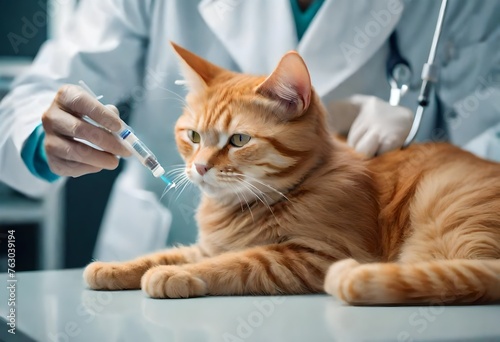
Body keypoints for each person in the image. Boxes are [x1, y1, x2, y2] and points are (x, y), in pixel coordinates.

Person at [1, 0, 499, 261]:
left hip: (343, 257)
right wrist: (41, 136)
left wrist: (417, 147)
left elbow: (489, 140)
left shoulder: (451, 5)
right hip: (167, 244)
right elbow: (36, 92)